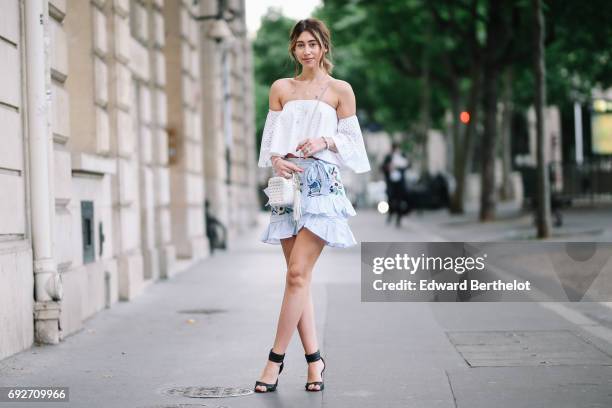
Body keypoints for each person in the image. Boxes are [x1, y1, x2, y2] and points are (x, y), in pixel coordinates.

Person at [256, 18, 370, 393]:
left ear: (324, 48)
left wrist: (326, 141)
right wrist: (276, 161)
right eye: (300, 44)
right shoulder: (280, 89)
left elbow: (355, 148)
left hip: (322, 184)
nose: (307, 50)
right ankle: (314, 362)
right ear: (293, 49)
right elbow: (271, 140)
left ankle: (274, 361)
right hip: (287, 185)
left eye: (313, 44)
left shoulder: (341, 90)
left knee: (295, 275)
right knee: (298, 278)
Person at [381, 142, 410, 226]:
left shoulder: (402, 156)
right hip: (391, 184)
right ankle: (390, 214)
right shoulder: (388, 157)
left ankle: (399, 218)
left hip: (400, 184)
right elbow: (383, 167)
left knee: (400, 201)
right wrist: (389, 167)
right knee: (391, 200)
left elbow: (407, 165)